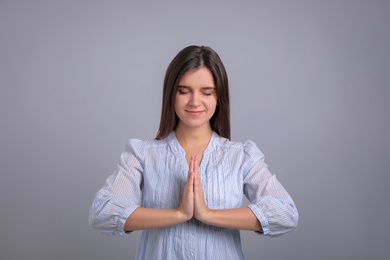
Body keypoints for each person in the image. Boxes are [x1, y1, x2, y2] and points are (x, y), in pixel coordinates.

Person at [89, 45, 298, 260]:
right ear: (171, 94)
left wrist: (207, 214)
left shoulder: (241, 156)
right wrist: (178, 214)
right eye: (183, 91)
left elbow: (285, 213)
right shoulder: (142, 154)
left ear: (219, 97)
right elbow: (103, 212)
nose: (195, 102)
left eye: (206, 92)